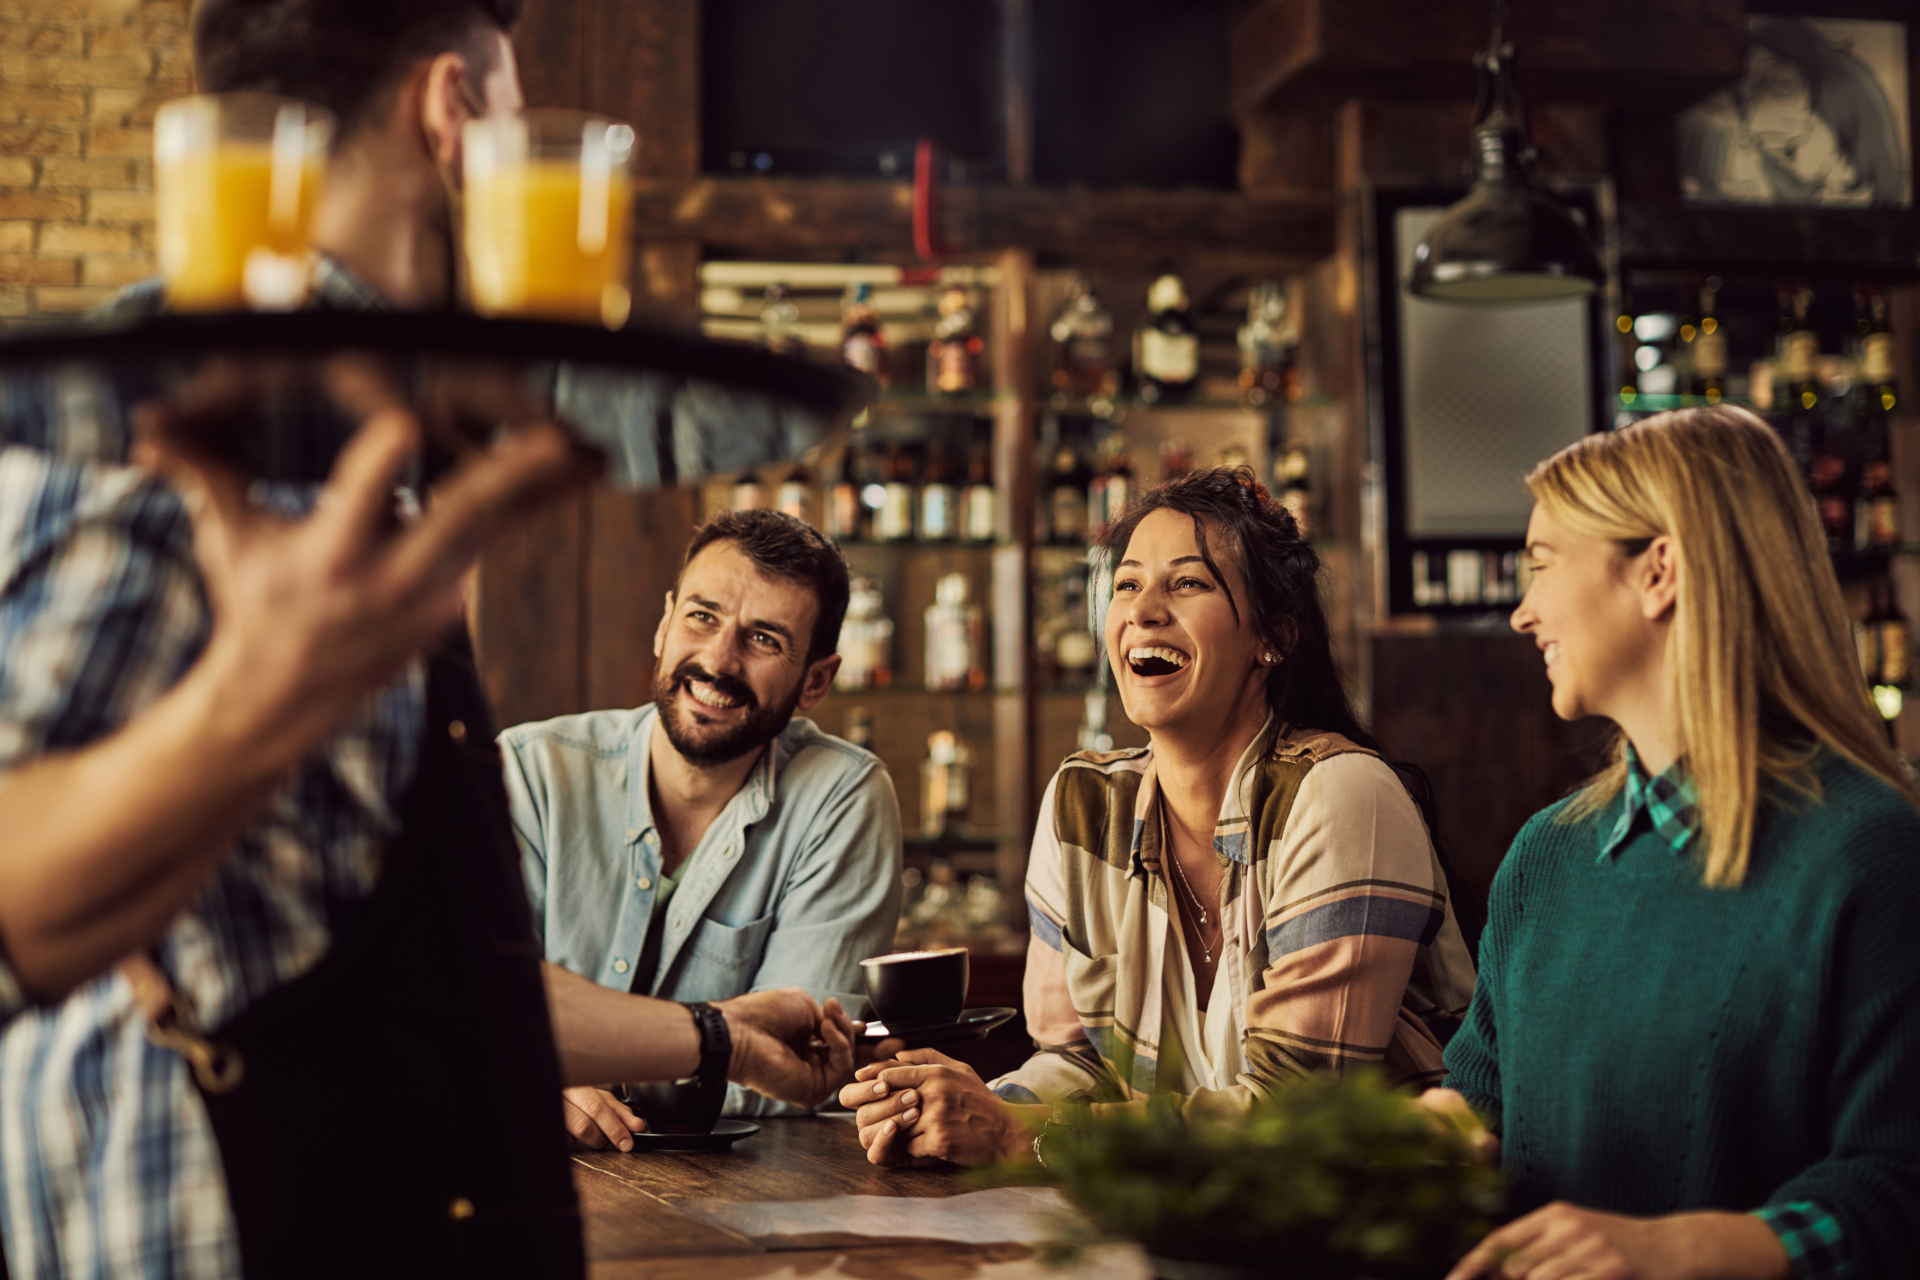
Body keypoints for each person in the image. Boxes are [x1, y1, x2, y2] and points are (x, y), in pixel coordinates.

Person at [0, 3, 851, 1278]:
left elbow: (418, 971)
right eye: (513, 116)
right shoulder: (189, 420)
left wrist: (714, 1034)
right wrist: (255, 691)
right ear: (452, 108)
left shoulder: (364, 443)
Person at [842, 467, 1476, 1166]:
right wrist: (952, 1108)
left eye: (1188, 583)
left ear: (1274, 637)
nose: (1143, 611)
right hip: (1175, 1215)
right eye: (1126, 584)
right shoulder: (1085, 802)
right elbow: (1077, 1062)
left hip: (1369, 1229)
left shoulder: (1341, 793)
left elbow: (1297, 1119)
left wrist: (1015, 1134)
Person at [1434, 407, 1920, 1280]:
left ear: (1659, 572)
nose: (1521, 612)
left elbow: (1900, 1190)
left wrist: (1681, 1248)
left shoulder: (1871, 856)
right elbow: (1481, 1108)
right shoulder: (1545, 859)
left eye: (1541, 566)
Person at [504, 508, 904, 1145]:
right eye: (702, 617)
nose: (718, 660)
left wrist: (548, 1060)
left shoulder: (841, 797)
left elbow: (796, 1072)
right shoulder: (528, 774)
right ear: (665, 624)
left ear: (816, 681)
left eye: (764, 639)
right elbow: (452, 1009)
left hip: (741, 1199)